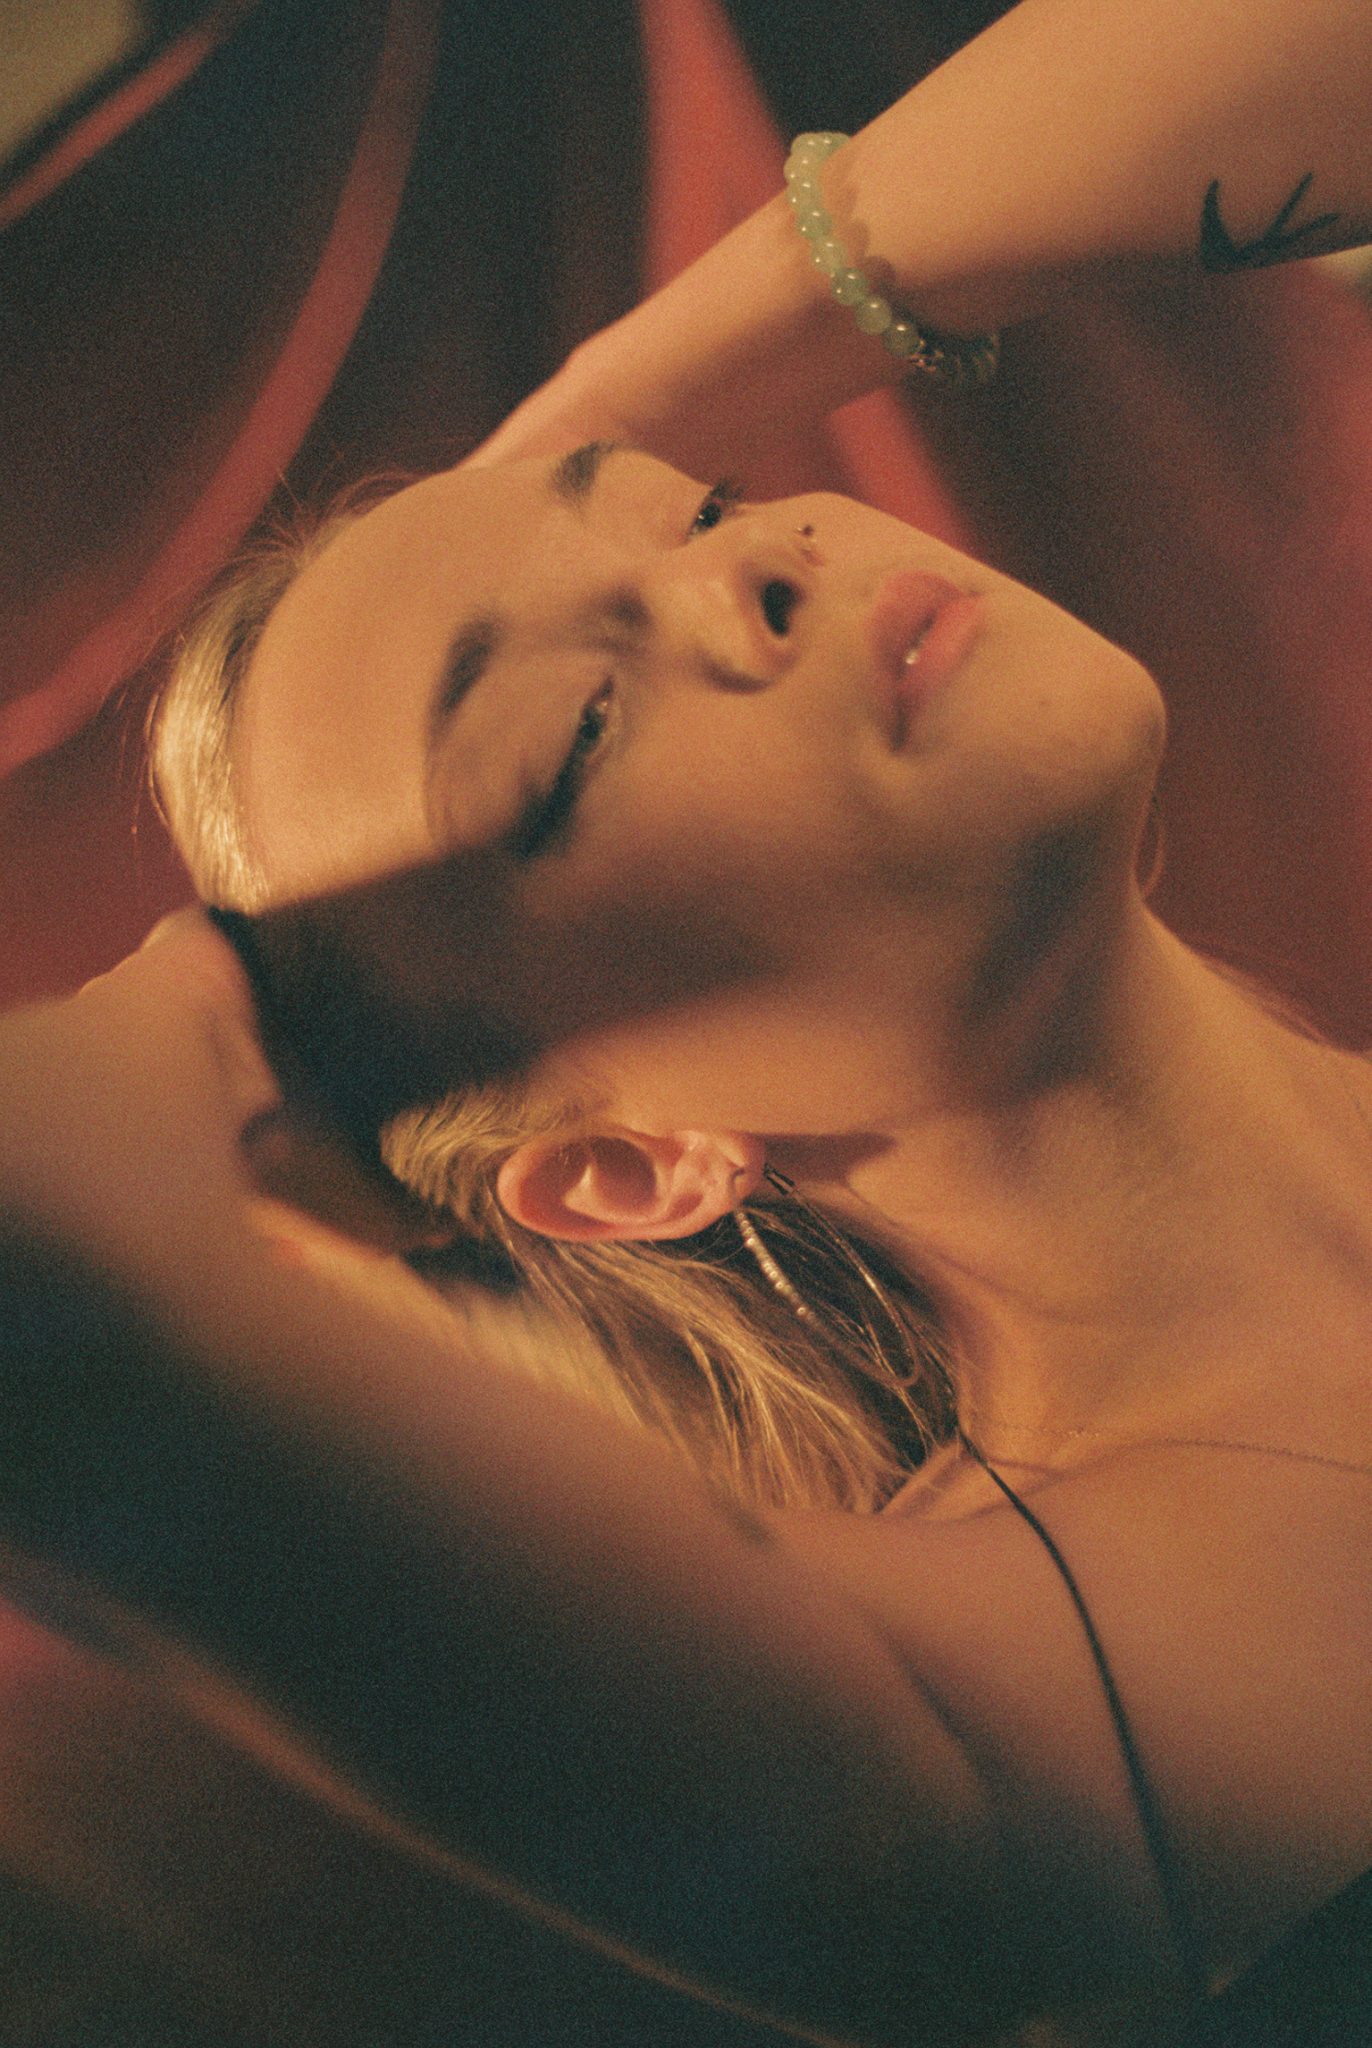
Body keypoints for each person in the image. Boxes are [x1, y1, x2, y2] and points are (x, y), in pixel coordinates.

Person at [4, 0, 1372, 2041]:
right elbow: (50, 1263)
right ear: (624, 1164)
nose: (753, 576)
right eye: (574, 732)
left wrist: (629, 392)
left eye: (704, 509)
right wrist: (274, 1001)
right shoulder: (1030, 1716)